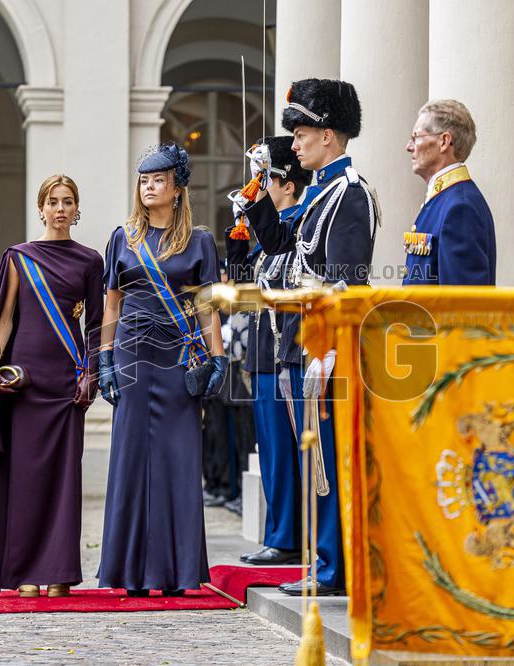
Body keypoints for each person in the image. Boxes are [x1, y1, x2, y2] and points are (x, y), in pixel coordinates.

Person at [243, 78, 379, 596]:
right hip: (301, 340)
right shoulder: (323, 191)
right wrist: (255, 195)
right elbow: (281, 243)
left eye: (300, 134)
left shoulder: (349, 194)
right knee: (312, 457)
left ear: (328, 135)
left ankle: (332, 567)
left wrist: (328, 348)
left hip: (323, 344)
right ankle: (323, 561)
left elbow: (345, 280)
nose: (294, 145)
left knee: (324, 457)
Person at [97, 143, 227, 597]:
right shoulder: (123, 237)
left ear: (177, 188)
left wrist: (219, 357)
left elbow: (208, 305)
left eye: (158, 180)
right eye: (144, 180)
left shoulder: (200, 240)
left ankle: (177, 572)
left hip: (177, 356)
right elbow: (111, 301)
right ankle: (130, 572)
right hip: (132, 353)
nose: (149, 187)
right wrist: (105, 359)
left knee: (178, 459)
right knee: (130, 460)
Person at [0, 174, 104, 599]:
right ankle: (25, 571)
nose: (60, 209)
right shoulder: (18, 257)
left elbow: (97, 324)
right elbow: (4, 318)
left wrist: (91, 374)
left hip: (66, 382)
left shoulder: (90, 260)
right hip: (24, 383)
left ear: (77, 209)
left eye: (68, 201)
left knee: (64, 482)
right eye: (53, 202)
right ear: (40, 209)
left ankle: (59, 570)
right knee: (25, 479)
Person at [227, 135, 311, 565]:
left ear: (287, 185)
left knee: (291, 444)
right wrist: (238, 241)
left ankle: (292, 535)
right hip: (264, 348)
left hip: (288, 345)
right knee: (272, 447)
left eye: (266, 181)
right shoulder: (268, 232)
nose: (259, 189)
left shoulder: (298, 223)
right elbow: (243, 288)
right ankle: (280, 532)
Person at [402, 99, 496, 285]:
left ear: (444, 141)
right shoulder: (446, 199)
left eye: (416, 138)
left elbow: (461, 305)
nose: (409, 147)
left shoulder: (460, 207)